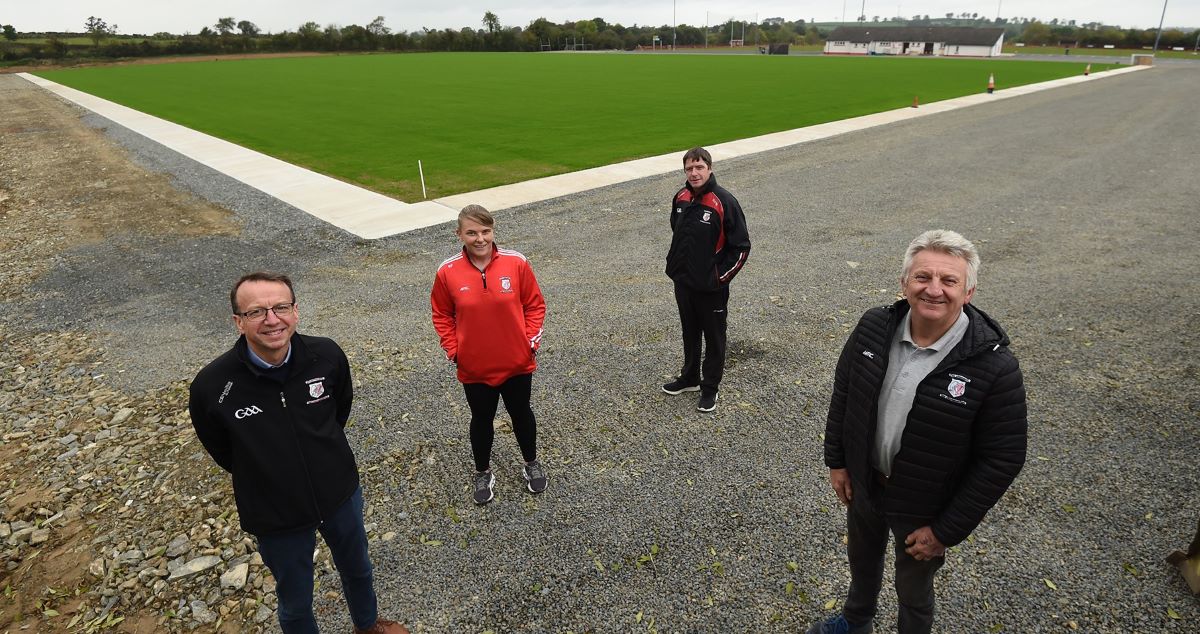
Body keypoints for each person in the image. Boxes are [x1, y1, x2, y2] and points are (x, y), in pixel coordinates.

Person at [808, 230, 1028, 634]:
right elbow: (845, 391)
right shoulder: (874, 327)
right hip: (865, 483)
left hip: (926, 506)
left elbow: (1003, 457)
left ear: (969, 292)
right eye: (923, 277)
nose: (934, 290)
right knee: (862, 561)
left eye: (949, 281)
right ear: (904, 283)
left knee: (913, 591)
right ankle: (857, 622)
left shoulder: (994, 367)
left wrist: (946, 531)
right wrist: (837, 462)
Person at [188, 272, 407, 634]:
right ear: (238, 322)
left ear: (296, 311)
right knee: (295, 599)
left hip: (340, 494)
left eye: (281, 307)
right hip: (276, 515)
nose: (272, 320)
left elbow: (339, 411)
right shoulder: (213, 386)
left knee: (358, 569)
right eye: (257, 311)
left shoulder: (325, 356)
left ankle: (367, 627)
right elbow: (222, 450)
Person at [431, 205, 548, 505]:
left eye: (485, 231)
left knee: (522, 414)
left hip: (517, 362)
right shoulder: (447, 271)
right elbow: (442, 314)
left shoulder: (516, 262)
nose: (480, 238)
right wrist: (455, 351)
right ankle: (482, 471)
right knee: (481, 419)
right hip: (475, 367)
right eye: (472, 232)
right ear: (459, 234)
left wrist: (529, 343)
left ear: (493, 231)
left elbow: (535, 305)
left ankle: (531, 463)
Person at [661, 147, 751, 412]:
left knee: (714, 337)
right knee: (689, 333)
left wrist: (718, 278)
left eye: (699, 167)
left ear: (709, 168)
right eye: (689, 168)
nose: (694, 172)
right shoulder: (681, 198)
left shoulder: (724, 201)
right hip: (684, 283)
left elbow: (741, 247)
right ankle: (690, 378)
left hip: (711, 288)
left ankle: (710, 387)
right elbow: (676, 232)